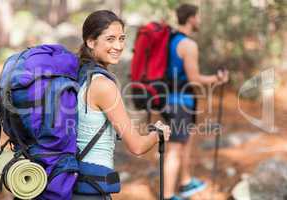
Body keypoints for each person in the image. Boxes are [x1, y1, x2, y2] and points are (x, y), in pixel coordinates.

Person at [73, 10, 171, 200]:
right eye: (110, 39)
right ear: (91, 41)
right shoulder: (103, 85)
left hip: (74, 181)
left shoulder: (79, 74)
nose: (118, 46)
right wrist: (158, 134)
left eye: (121, 38)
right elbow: (137, 146)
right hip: (92, 187)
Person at [164, 4, 229, 200]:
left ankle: (185, 182)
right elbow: (194, 79)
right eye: (198, 17)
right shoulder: (188, 45)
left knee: (186, 143)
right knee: (175, 148)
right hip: (179, 101)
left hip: (175, 99)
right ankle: (167, 196)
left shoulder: (171, 39)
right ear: (191, 18)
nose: (199, 21)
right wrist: (217, 79)